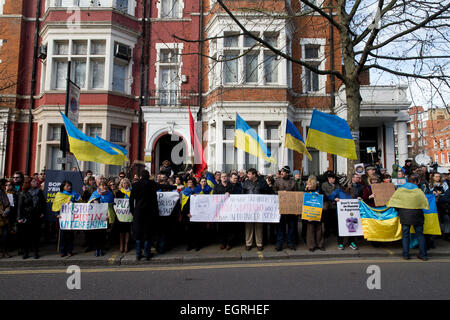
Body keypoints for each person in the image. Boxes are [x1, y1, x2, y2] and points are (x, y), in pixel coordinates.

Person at [388, 174, 429, 260]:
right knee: (420, 235)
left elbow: (393, 202)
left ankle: (406, 255)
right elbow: (425, 203)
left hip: (404, 214)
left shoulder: (400, 189)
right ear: (416, 181)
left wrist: (399, 210)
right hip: (417, 214)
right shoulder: (418, 190)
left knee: (405, 235)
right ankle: (423, 255)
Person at [130, 170, 164, 261]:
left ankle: (138, 254)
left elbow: (131, 199)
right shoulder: (152, 184)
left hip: (138, 212)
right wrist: (173, 186)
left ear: (141, 176)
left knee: (138, 233)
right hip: (150, 213)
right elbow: (163, 186)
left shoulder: (135, 185)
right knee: (148, 233)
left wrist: (132, 211)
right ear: (148, 176)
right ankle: (147, 254)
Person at [242, 168, 270, 251]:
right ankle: (248, 243)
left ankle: (259, 243)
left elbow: (267, 193)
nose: (248, 175)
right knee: (248, 226)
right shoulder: (246, 182)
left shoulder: (262, 182)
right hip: (248, 208)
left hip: (259, 208)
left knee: (259, 226)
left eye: (250, 174)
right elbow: (242, 193)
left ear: (254, 174)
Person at [329, 176, 360, 250]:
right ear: (345, 184)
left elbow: (354, 198)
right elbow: (330, 197)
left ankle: (351, 242)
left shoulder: (351, 190)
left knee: (351, 228)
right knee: (340, 228)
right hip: (341, 214)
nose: (350, 184)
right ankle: (340, 243)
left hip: (350, 214)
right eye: (349, 183)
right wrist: (334, 199)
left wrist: (358, 199)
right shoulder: (338, 191)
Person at [52, 180, 81, 257]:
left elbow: (80, 203)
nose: (69, 187)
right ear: (63, 187)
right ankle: (62, 251)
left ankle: (69, 251)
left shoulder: (74, 194)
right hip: (63, 217)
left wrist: (73, 201)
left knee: (70, 235)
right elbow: (56, 205)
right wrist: (56, 214)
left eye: (70, 186)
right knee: (62, 235)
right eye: (67, 186)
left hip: (71, 217)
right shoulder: (59, 195)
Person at [274, 166, 298, 251]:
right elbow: (274, 192)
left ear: (287, 173)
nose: (281, 173)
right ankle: (279, 243)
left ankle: (290, 243)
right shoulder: (277, 181)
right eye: (281, 172)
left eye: (283, 172)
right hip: (280, 207)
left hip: (290, 208)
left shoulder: (293, 182)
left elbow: (296, 195)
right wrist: (280, 193)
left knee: (291, 226)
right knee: (280, 227)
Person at [88, 180, 115, 257]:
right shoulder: (95, 193)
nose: (104, 187)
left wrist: (108, 214)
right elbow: (89, 203)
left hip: (106, 216)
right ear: (98, 186)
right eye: (102, 185)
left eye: (105, 185)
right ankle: (97, 249)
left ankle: (101, 248)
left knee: (103, 234)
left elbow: (111, 204)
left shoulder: (109, 194)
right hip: (96, 217)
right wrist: (96, 198)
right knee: (96, 233)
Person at [213, 173, 233, 250]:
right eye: (222, 177)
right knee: (221, 227)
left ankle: (229, 243)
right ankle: (222, 243)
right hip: (220, 210)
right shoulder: (217, 187)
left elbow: (236, 195)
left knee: (229, 227)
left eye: (225, 176)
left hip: (229, 209)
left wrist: (230, 194)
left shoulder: (231, 186)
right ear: (220, 178)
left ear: (227, 177)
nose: (224, 178)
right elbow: (214, 197)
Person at [28, 177, 46, 259]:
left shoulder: (39, 191)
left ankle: (35, 251)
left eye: (35, 181)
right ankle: (27, 251)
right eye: (33, 181)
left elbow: (43, 202)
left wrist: (42, 212)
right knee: (28, 234)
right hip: (28, 215)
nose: (35, 182)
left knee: (36, 234)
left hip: (37, 214)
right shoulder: (26, 192)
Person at [114, 178, 132, 253]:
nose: (125, 184)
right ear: (121, 184)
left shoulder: (132, 192)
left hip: (128, 214)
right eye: (124, 183)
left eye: (127, 183)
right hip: (121, 214)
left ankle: (126, 245)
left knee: (127, 230)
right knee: (121, 231)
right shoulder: (118, 192)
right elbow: (115, 203)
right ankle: (121, 245)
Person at [321, 171, 339, 238]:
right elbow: (325, 194)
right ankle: (327, 233)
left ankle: (335, 232)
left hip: (335, 205)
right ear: (328, 178)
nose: (333, 179)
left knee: (335, 220)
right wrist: (333, 198)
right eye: (331, 178)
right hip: (328, 205)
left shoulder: (337, 185)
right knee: (327, 220)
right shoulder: (324, 185)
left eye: (334, 178)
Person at [0, 179, 11, 258]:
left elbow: (7, 204)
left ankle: (5, 252)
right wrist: (1, 212)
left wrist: (6, 212)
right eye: (3, 184)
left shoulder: (3, 193)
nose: (5, 186)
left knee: (5, 236)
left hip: (4, 219)